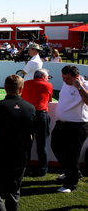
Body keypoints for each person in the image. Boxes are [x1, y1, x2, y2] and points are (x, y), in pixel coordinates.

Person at [0, 75, 35, 211]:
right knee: (14, 192)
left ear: (5, 88)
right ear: (21, 89)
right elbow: (30, 133)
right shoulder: (30, 108)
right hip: (20, 156)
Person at [51, 65, 88, 193]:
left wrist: (79, 86)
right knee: (55, 147)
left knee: (72, 155)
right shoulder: (66, 84)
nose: (65, 81)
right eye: (63, 78)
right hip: (62, 124)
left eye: (68, 78)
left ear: (76, 77)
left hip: (77, 126)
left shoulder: (84, 85)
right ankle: (71, 172)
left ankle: (71, 184)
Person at [22, 68, 52, 177]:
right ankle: (42, 169)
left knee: (26, 144)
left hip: (28, 115)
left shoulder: (25, 84)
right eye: (47, 76)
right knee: (42, 144)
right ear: (43, 77)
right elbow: (49, 100)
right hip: (41, 116)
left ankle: (25, 168)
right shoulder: (47, 85)